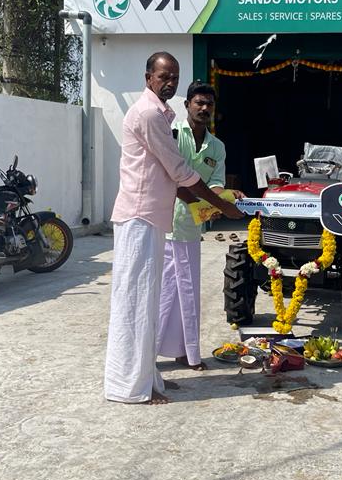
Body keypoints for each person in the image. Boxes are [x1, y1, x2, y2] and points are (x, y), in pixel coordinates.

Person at [104, 53, 243, 405]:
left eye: (175, 77)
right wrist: (222, 206)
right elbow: (179, 171)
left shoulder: (160, 115)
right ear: (148, 77)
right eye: (164, 76)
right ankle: (129, 387)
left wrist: (210, 202)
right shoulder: (150, 115)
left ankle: (146, 378)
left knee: (147, 304)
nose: (170, 82)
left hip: (154, 218)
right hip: (139, 217)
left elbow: (174, 180)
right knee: (135, 304)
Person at [156, 81, 239, 371]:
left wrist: (227, 199)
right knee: (163, 294)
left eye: (209, 104)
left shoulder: (217, 146)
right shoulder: (172, 134)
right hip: (165, 227)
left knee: (187, 294)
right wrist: (211, 203)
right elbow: (170, 178)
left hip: (192, 230)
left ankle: (185, 352)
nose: (204, 108)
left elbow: (215, 185)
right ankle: (146, 356)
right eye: (199, 103)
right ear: (187, 105)